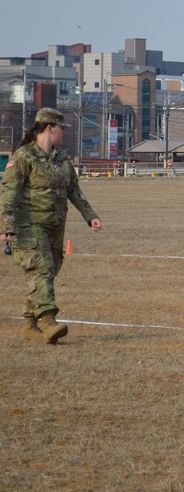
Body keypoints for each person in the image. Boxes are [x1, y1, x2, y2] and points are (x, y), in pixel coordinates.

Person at [1, 108, 103, 343]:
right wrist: (6, 225)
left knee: (47, 273)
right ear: (49, 128)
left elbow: (74, 190)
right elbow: (9, 193)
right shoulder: (23, 157)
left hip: (55, 227)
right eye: (61, 128)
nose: (63, 133)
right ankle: (49, 322)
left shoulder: (61, 159)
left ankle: (29, 325)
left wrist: (90, 215)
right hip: (28, 226)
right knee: (43, 269)